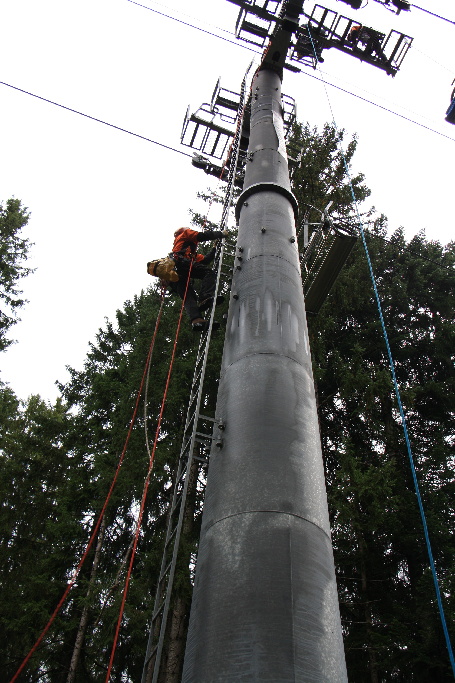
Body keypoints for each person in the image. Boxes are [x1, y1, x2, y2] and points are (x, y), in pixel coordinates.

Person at [169, 227, 228, 332]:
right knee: (208, 273)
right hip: (180, 263)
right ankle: (205, 297)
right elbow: (201, 236)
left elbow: (205, 260)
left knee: (188, 295)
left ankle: (196, 320)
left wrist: (214, 248)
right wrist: (220, 234)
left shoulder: (189, 253)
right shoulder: (184, 233)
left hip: (174, 271)